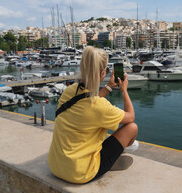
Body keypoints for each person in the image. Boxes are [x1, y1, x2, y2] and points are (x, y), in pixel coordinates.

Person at [48, 46, 138, 184]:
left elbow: (86, 100)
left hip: (56, 166)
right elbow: (130, 117)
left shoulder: (69, 91)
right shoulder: (99, 106)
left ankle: (107, 156)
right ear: (102, 73)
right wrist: (124, 90)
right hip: (80, 173)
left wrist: (108, 87)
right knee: (132, 128)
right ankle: (114, 156)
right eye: (107, 71)